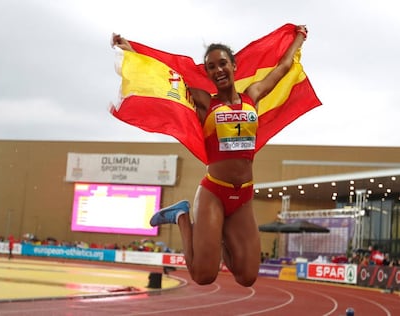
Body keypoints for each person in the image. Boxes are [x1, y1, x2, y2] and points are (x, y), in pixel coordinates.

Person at [111, 25, 308, 287]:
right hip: (215, 192)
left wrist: (299, 38)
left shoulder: (253, 95)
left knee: (246, 277)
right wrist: (132, 49)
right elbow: (167, 73)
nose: (218, 70)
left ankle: (223, 231)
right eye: (211, 67)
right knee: (204, 275)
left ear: (234, 65)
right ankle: (181, 215)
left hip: (243, 196)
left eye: (222, 63)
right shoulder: (206, 102)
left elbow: (282, 68)